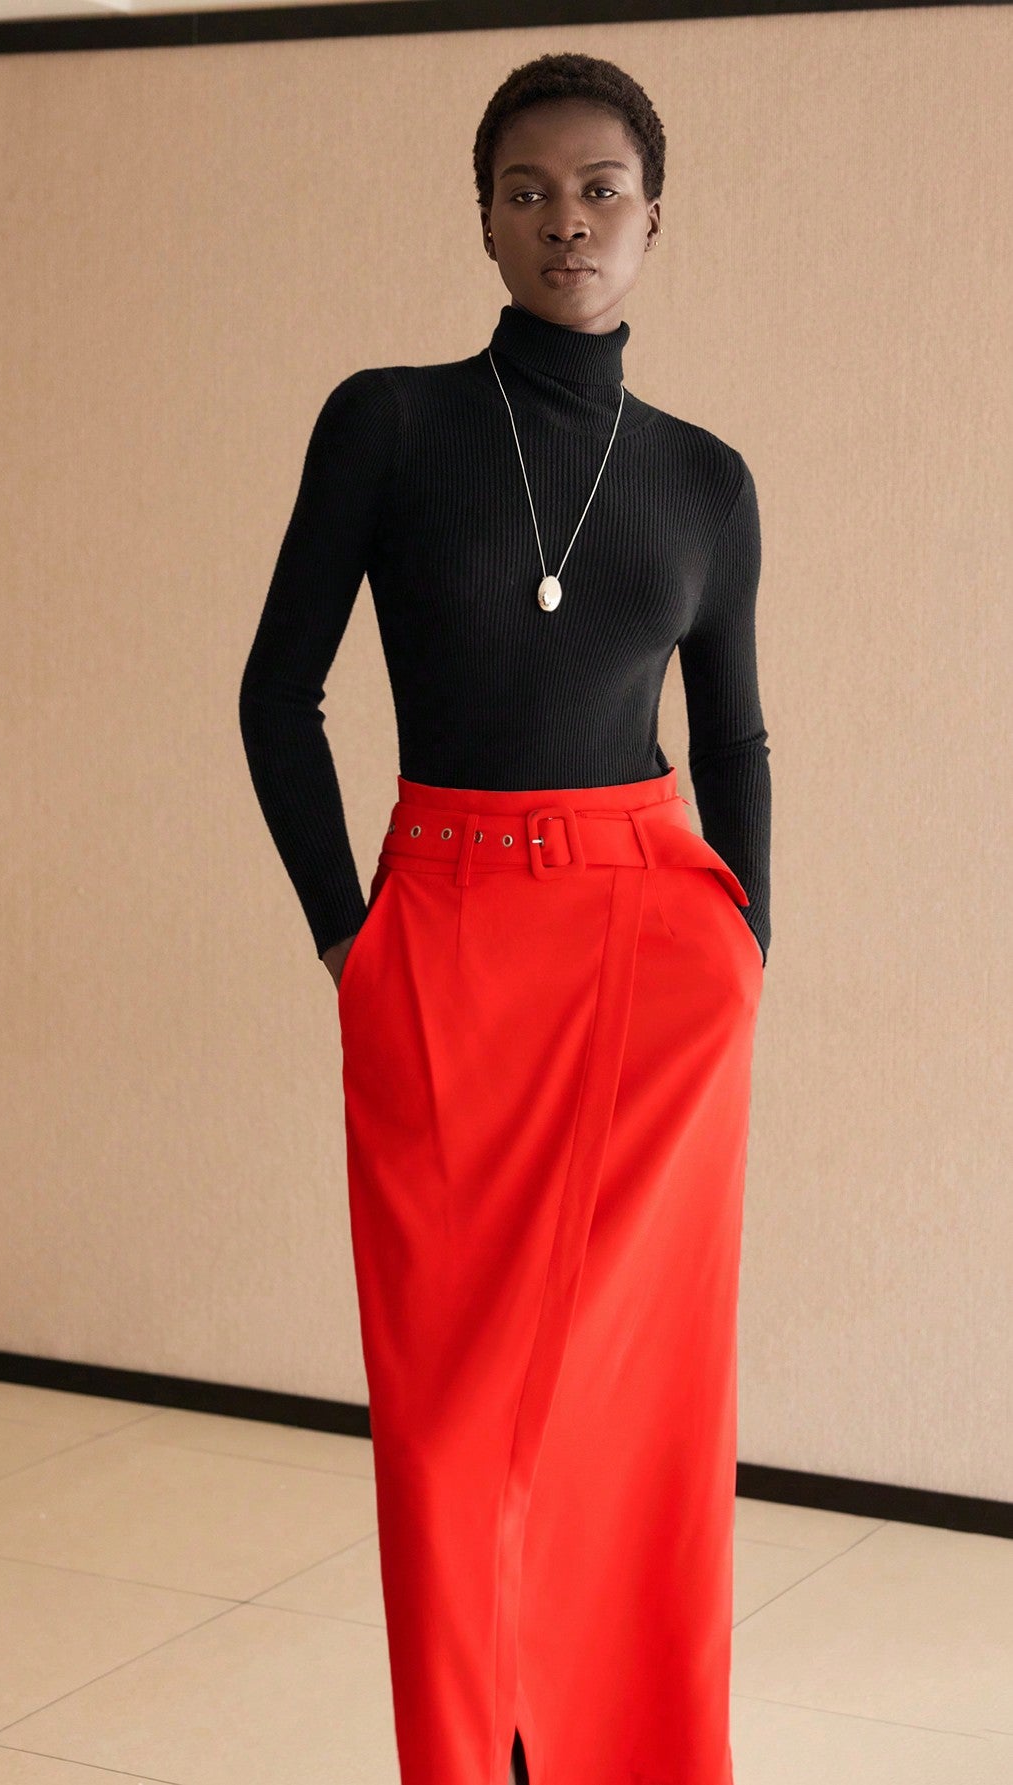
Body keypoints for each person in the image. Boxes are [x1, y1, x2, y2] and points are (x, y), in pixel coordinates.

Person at [239, 49, 768, 1785]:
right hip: (446, 933)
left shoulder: (706, 478)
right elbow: (276, 696)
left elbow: (732, 735)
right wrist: (349, 933)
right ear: (482, 218)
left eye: (602, 189)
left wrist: (749, 945)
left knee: (636, 1412)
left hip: (655, 953)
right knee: (453, 1420)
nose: (567, 221)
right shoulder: (388, 423)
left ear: (657, 217)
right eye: (528, 191)